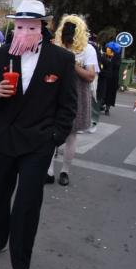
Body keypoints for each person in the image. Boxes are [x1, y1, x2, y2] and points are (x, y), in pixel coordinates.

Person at [0, 0, 77, 269]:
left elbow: (68, 105)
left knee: (27, 204)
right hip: (3, 138)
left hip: (38, 142)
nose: (24, 30)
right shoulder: (1, 54)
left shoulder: (62, 59)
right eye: (19, 25)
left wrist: (54, 136)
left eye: (31, 25)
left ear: (42, 26)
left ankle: (21, 260)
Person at [46, 15, 98, 186]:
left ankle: (63, 171)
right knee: (55, 134)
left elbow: (90, 76)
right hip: (55, 92)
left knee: (70, 135)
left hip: (77, 95)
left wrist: (71, 64)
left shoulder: (87, 49)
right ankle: (51, 171)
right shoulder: (55, 46)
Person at [99, 41, 121, 115]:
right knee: (104, 92)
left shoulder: (116, 57)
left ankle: (107, 108)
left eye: (108, 48)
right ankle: (101, 105)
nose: (107, 49)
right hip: (106, 76)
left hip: (112, 78)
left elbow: (116, 66)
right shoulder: (105, 56)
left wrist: (109, 59)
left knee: (109, 93)